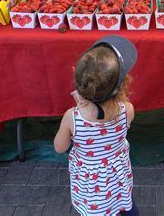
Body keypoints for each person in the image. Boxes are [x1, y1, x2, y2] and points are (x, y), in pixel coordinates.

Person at [54, 35, 139, 216]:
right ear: (122, 85)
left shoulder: (72, 118)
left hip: (91, 187)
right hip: (117, 176)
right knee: (124, 201)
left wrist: (80, 107)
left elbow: (60, 147)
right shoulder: (128, 110)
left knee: (97, 210)